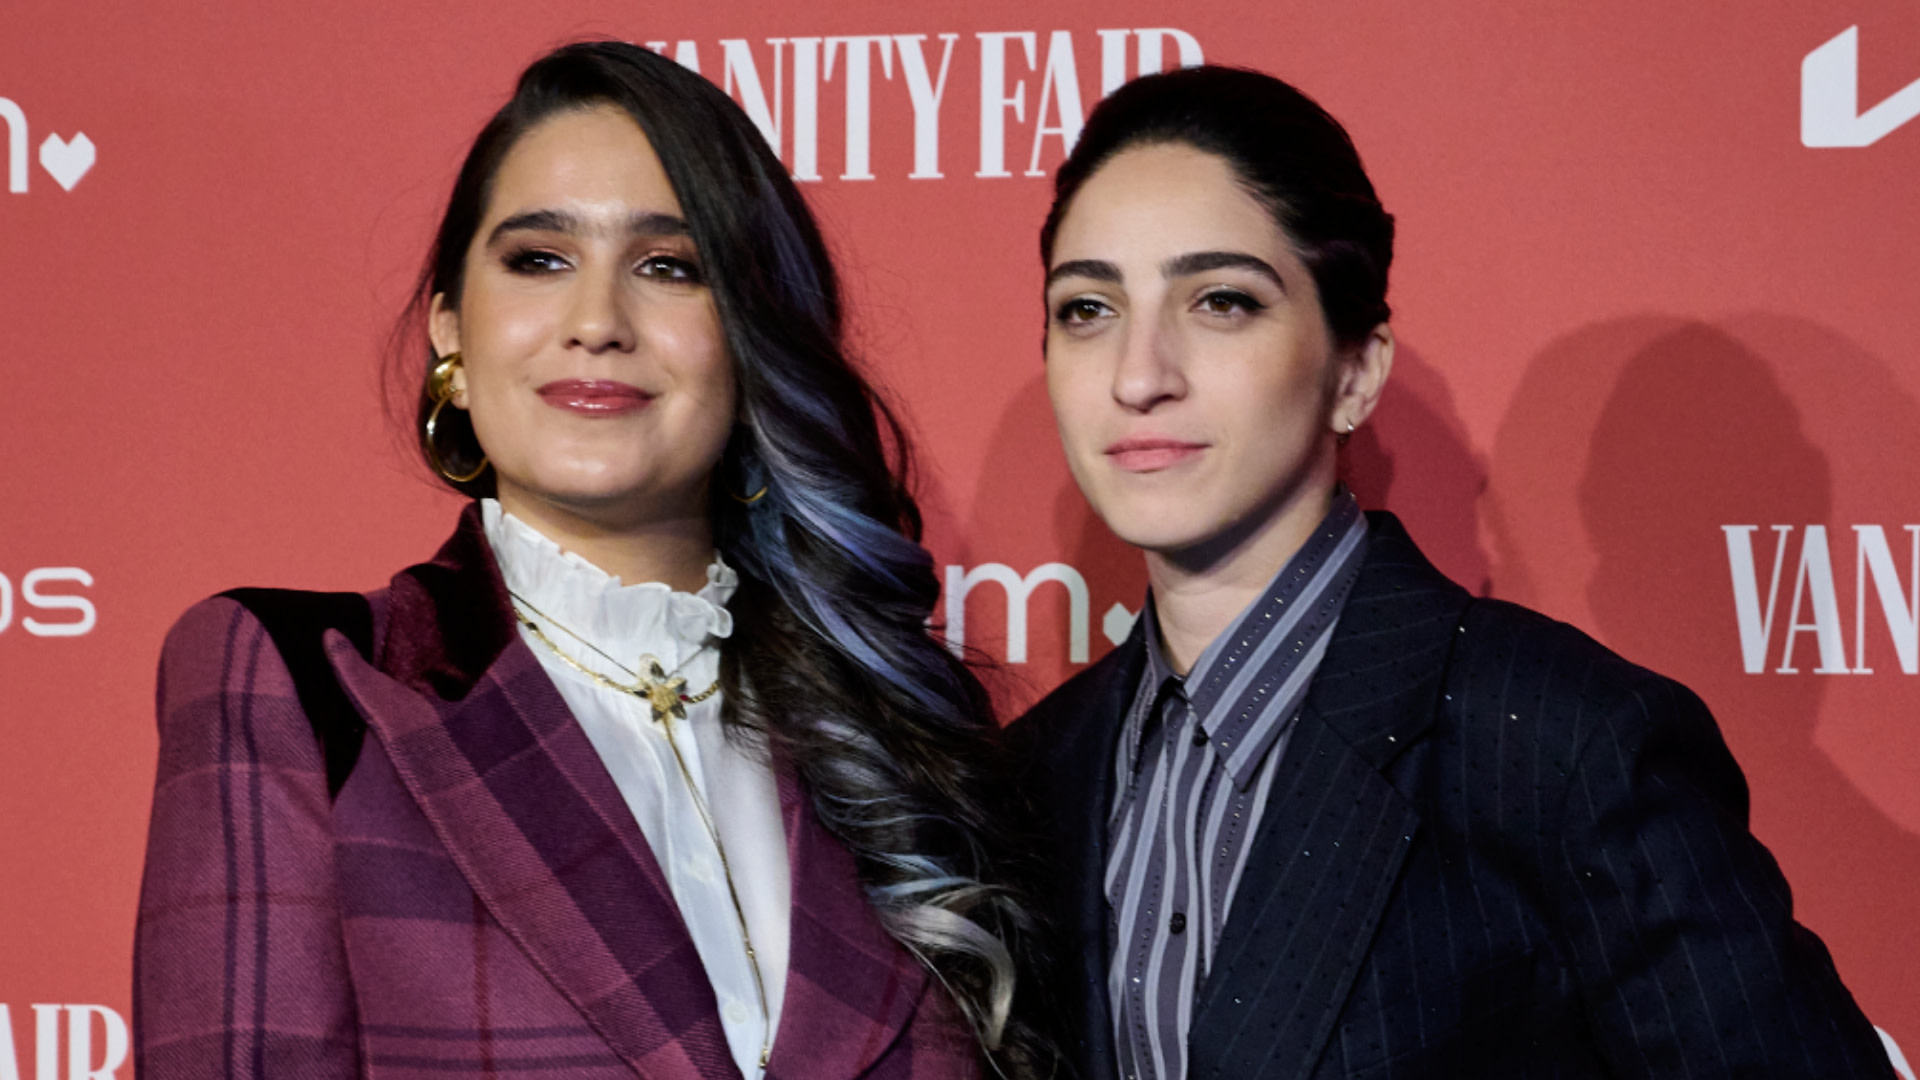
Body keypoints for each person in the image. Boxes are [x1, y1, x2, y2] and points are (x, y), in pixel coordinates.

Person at [135, 41, 1050, 1080]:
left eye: (670, 267)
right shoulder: (305, 685)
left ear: (751, 340)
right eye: (539, 259)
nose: (598, 323)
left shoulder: (896, 738)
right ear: (451, 334)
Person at [1012, 65, 1893, 1079]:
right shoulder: (1031, 777)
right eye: (1087, 308)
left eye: (1221, 301)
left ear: (1356, 371)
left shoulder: (1562, 747)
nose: (1138, 375)